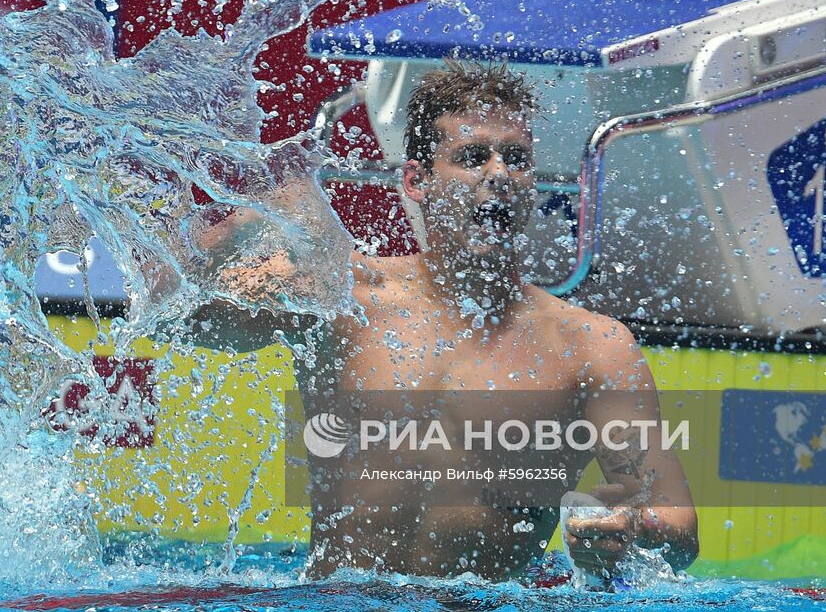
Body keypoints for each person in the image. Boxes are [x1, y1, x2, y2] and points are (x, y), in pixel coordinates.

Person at [189, 61, 697, 581]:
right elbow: (175, 322)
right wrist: (229, 231)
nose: (499, 175)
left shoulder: (591, 346)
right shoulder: (344, 297)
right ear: (417, 180)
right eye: (473, 157)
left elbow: (678, 526)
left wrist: (627, 528)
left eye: (517, 159)